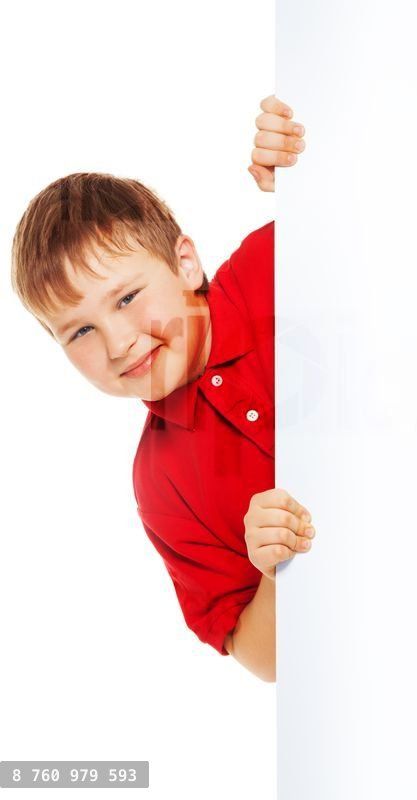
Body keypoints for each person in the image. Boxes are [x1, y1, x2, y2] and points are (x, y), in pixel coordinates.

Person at [9, 95, 310, 682]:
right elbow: (261, 658)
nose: (118, 341)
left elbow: (393, 216)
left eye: (125, 298)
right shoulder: (161, 481)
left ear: (186, 263)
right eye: (80, 331)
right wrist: (274, 575)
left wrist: (307, 167)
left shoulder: (273, 263)